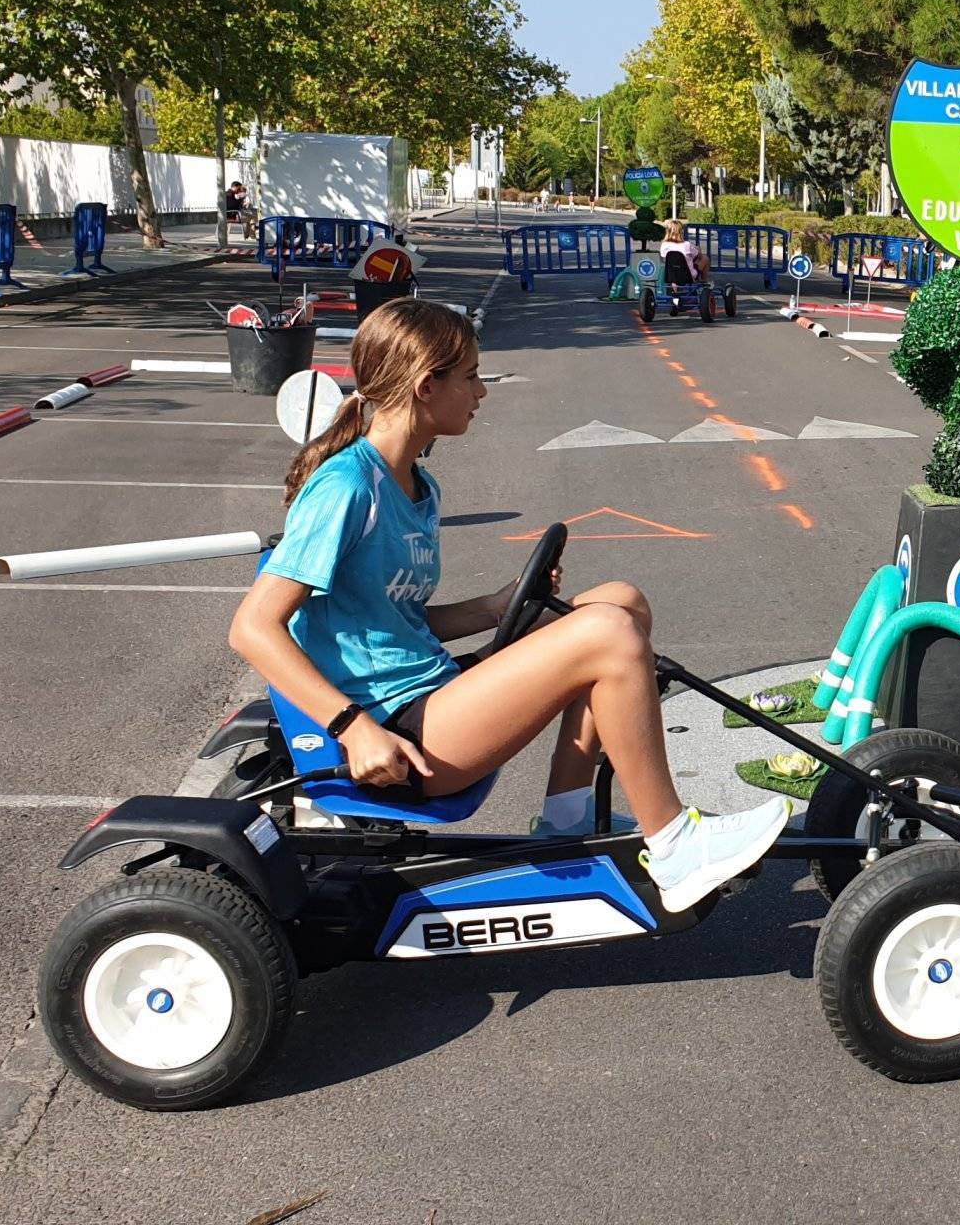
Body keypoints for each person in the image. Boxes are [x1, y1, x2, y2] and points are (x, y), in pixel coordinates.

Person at [227, 299, 790, 913]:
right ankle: (676, 846)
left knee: (620, 601)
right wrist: (352, 729)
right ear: (425, 385)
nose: (481, 393)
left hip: (431, 694)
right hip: (397, 736)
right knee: (606, 634)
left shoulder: (415, 484)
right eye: (470, 376)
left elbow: (395, 623)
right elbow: (255, 628)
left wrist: (497, 608)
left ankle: (566, 823)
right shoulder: (347, 487)